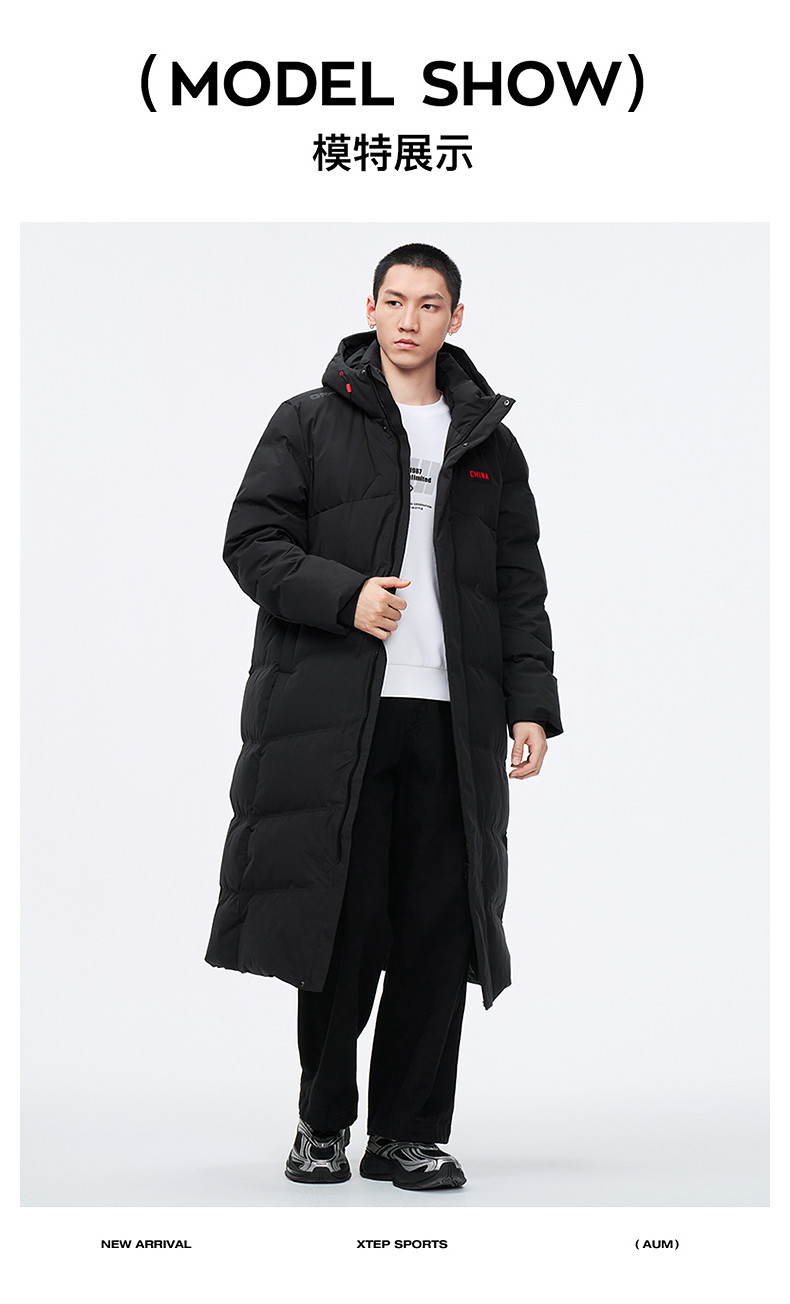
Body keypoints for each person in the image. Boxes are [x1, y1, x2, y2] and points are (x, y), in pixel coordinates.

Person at [205, 242, 563, 1191]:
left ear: (455, 318)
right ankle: (322, 1122)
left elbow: (519, 585)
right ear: (370, 309)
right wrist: (346, 596)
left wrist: (530, 705)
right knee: (344, 924)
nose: (409, 320)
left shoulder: (489, 443)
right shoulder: (309, 420)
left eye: (429, 304)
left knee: (439, 931)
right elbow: (251, 541)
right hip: (339, 718)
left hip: (453, 719)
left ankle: (408, 1133)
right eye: (395, 301)